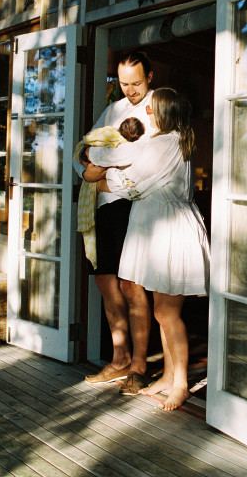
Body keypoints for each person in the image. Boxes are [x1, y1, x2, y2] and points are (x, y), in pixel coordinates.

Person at [94, 87, 210, 410]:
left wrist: (100, 177)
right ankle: (169, 376)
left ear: (165, 114)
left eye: (152, 107)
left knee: (168, 314)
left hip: (168, 231)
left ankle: (181, 383)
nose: (146, 111)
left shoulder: (164, 144)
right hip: (156, 229)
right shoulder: (169, 140)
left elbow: (131, 182)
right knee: (162, 312)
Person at [73, 51, 154, 393]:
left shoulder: (157, 109)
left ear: (149, 77)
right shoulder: (114, 110)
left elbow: (144, 162)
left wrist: (102, 168)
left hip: (137, 207)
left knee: (132, 285)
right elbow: (83, 150)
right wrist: (88, 172)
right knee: (106, 284)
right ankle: (119, 359)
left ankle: (139, 365)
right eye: (123, 84)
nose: (130, 90)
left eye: (136, 83)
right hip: (105, 206)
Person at [73, 118, 145, 269]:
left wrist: (95, 160)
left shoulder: (152, 117)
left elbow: (136, 156)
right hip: (103, 205)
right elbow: (80, 152)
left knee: (127, 273)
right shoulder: (110, 115)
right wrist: (85, 174)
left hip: (129, 204)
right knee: (105, 273)